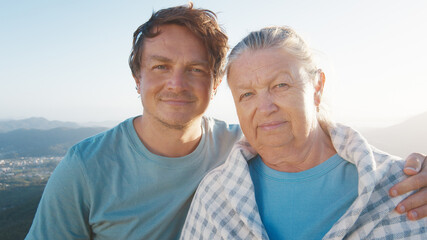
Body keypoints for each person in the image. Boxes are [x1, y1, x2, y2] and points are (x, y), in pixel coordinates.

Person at [25, 4, 426, 240]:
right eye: (161, 66)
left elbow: (327, 147)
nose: (176, 84)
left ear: (216, 84)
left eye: (195, 70)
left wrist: (414, 171)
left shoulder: (246, 145)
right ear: (137, 79)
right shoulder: (86, 167)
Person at [181, 26, 427, 239]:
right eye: (247, 95)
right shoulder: (215, 196)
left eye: (280, 85)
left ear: (317, 87)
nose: (265, 108)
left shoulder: (404, 188)